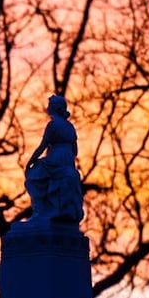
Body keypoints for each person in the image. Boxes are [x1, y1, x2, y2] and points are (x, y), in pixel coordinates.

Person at [25, 94, 85, 224]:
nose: (47, 107)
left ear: (54, 108)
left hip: (55, 158)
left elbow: (43, 146)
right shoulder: (69, 126)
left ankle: (39, 211)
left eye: (49, 105)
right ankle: (49, 209)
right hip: (67, 159)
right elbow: (75, 150)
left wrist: (31, 161)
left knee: (33, 176)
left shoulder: (53, 125)